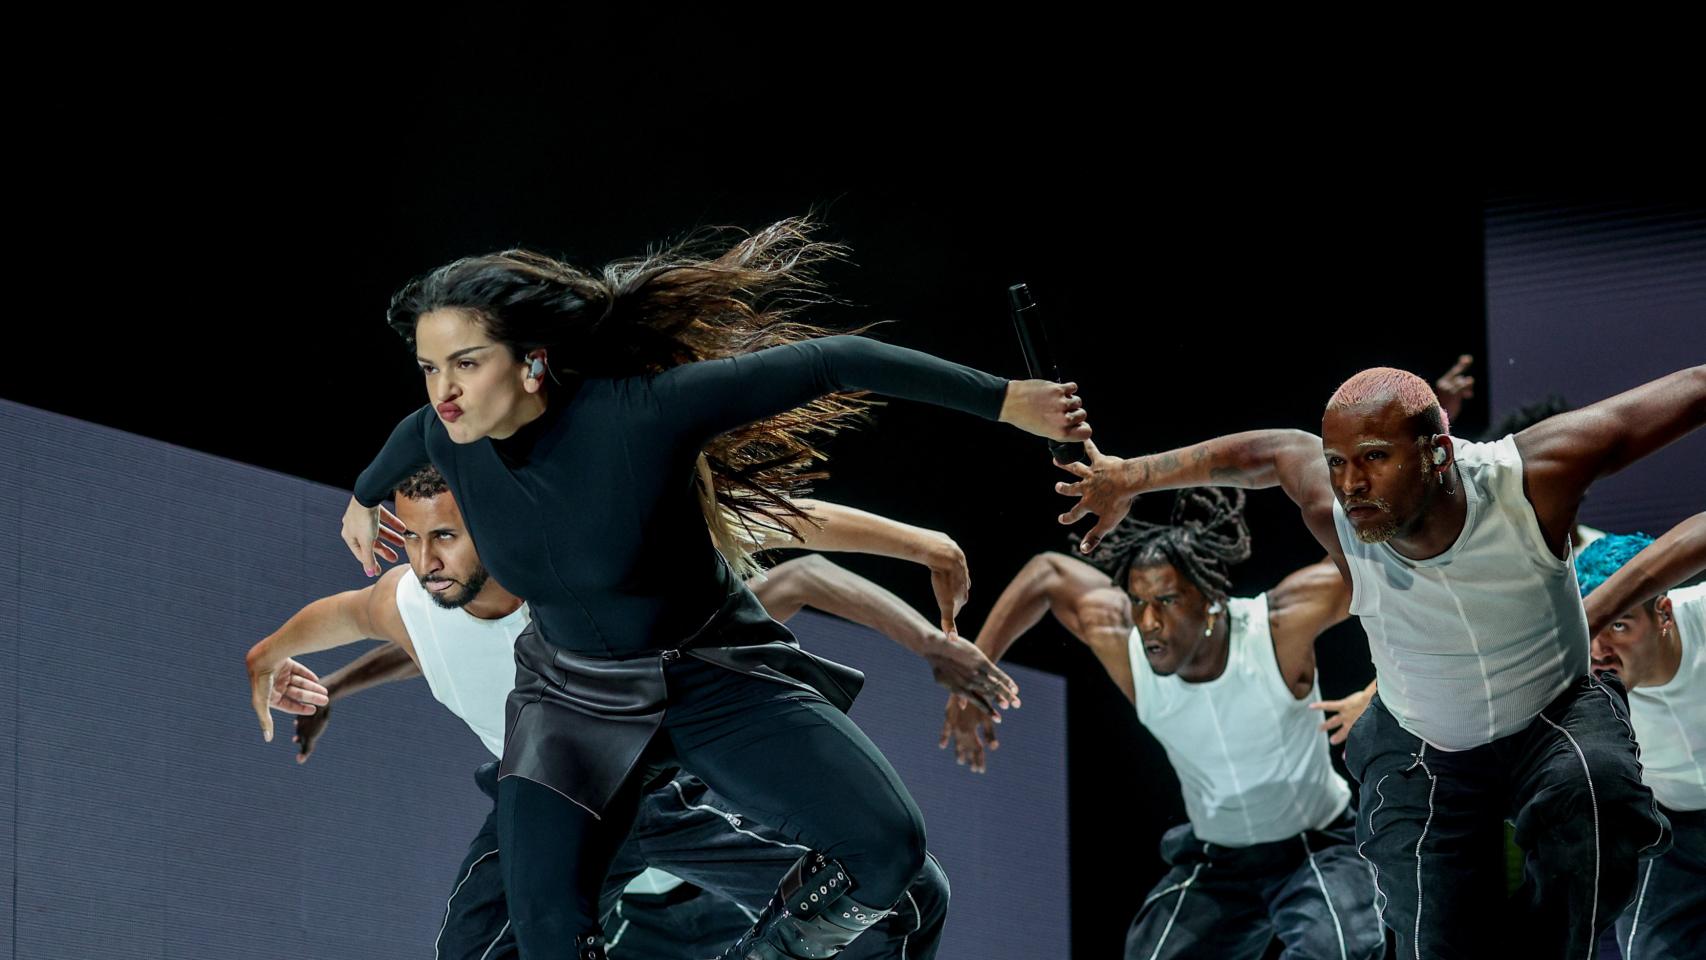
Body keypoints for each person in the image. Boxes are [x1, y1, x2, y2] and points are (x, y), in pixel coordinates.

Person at [332, 219, 1088, 958]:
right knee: (545, 932)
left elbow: (835, 360)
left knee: (889, 848)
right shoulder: (441, 435)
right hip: (571, 703)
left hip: (710, 673)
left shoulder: (641, 415)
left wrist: (1005, 400)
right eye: (430, 369)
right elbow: (405, 440)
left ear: (532, 361)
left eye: (464, 364)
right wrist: (363, 498)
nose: (444, 393)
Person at [1054, 363, 1704, 957]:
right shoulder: (1337, 508)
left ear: (1438, 454)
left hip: (1551, 716)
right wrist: (1130, 476)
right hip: (1425, 746)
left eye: (1373, 458)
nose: (1351, 483)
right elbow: (1272, 451)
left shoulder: (1531, 475)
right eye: (1337, 462)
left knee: (1597, 790)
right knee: (1433, 933)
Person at [250, 466, 1017, 959]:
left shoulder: (588, 558)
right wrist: (285, 670)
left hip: (656, 781)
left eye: (446, 537)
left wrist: (925, 545)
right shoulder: (409, 599)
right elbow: (348, 625)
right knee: (470, 950)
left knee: (908, 891)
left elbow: (779, 524)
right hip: (545, 793)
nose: (426, 562)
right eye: (412, 540)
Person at [942, 488, 1382, 959]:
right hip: (1218, 859)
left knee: (1340, 950)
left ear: (1211, 601)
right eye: (1139, 601)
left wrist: (1380, 696)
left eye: (1168, 600)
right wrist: (973, 679)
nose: (1148, 622)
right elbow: (1046, 574)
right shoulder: (1127, 644)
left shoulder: (1277, 627)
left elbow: (1390, 566)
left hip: (1315, 846)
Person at [1575, 514, 1706, 958]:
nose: (1599, 651)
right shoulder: (1574, 666)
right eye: (1590, 626)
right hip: (1668, 828)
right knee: (1648, 952)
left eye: (1618, 625)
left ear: (1663, 613)